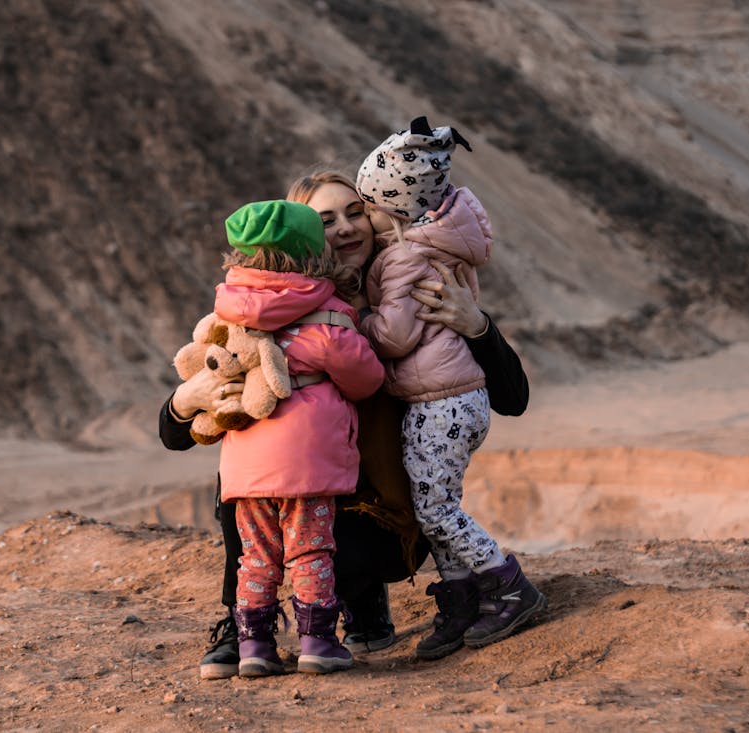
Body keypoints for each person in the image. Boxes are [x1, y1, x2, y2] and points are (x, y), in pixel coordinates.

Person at [159, 172, 531, 680]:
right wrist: (186, 398)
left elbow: (514, 399)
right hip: (304, 500)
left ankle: (361, 598)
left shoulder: (408, 289)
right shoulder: (267, 305)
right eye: (325, 220)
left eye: (355, 212)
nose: (346, 229)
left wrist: (478, 326)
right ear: (303, 237)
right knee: (244, 476)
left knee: (312, 518)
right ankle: (238, 623)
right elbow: (175, 432)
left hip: (382, 519)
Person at [353, 117, 546, 660]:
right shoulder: (437, 245)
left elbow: (394, 336)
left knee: (436, 508)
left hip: (441, 401)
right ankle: (461, 600)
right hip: (451, 397)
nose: (361, 221)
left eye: (366, 208)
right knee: (433, 500)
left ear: (391, 212)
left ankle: (508, 586)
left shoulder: (403, 257)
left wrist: (358, 322)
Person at [204, 199, 384, 677]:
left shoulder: (230, 310)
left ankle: (253, 648)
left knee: (256, 556)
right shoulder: (330, 317)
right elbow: (366, 381)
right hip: (308, 463)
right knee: (310, 549)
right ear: (315, 255)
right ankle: (317, 642)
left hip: (245, 462)